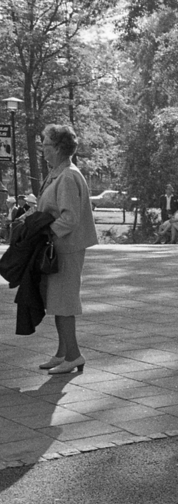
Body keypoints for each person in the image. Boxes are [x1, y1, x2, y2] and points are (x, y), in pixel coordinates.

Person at [28, 124, 98, 374]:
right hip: (59, 248)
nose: (43, 150)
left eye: (46, 145)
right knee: (58, 302)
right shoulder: (59, 173)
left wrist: (44, 231)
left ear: (58, 148)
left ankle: (74, 355)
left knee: (64, 304)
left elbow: (69, 219)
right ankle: (62, 353)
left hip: (65, 248)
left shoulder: (67, 176)